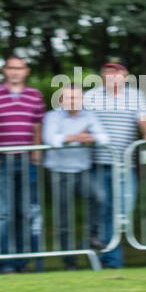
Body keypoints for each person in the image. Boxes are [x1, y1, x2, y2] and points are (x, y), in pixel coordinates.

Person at [83, 59, 146, 269]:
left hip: (125, 165)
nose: (112, 75)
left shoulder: (135, 96)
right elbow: (81, 122)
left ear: (125, 75)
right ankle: (111, 260)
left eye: (116, 72)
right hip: (98, 164)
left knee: (123, 211)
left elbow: (144, 120)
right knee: (104, 210)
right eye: (108, 71)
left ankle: (104, 251)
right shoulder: (91, 97)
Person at [0, 56, 45, 272]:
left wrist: (36, 153)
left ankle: (22, 262)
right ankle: (5, 263)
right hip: (2, 160)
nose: (15, 72)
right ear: (4, 70)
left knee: (25, 213)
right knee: (3, 214)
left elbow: (37, 126)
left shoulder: (35, 96)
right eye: (11, 68)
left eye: (19, 68)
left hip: (27, 160)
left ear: (26, 71)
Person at [43, 85, 108, 270]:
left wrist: (91, 138)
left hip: (82, 170)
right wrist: (76, 137)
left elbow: (104, 138)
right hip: (59, 171)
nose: (74, 101)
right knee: (64, 218)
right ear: (61, 100)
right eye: (70, 98)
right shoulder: (52, 116)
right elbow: (51, 139)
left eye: (77, 98)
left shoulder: (89, 116)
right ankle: (69, 260)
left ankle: (93, 237)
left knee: (98, 197)